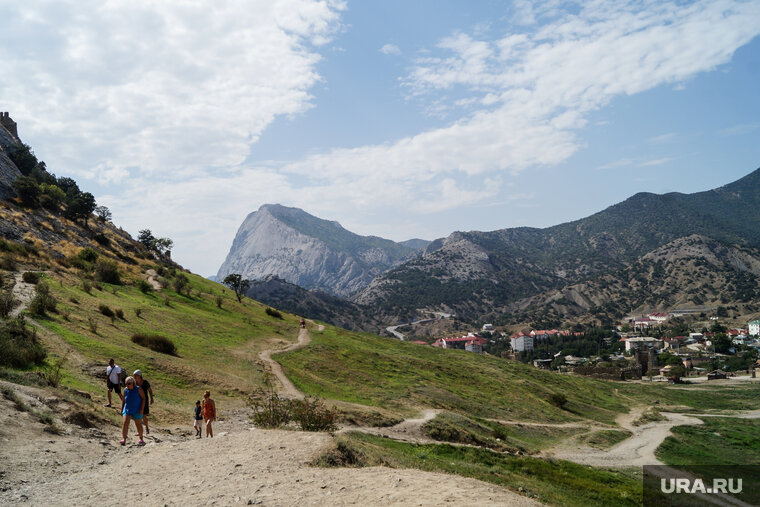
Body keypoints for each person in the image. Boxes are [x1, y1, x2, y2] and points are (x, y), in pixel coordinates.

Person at [120, 376, 145, 445]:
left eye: (129, 383)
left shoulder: (138, 389)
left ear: (133, 383)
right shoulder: (125, 390)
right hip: (127, 409)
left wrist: (142, 409)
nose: (127, 385)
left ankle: (141, 438)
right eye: (126, 384)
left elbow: (143, 398)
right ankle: (124, 439)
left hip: (137, 409)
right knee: (125, 423)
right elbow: (124, 400)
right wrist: (122, 409)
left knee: (138, 424)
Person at [133, 370, 154, 434]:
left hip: (144, 400)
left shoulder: (145, 382)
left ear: (140, 376)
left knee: (144, 415)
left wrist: (151, 398)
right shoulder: (134, 383)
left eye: (136, 376)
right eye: (134, 376)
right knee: (137, 416)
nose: (135, 377)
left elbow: (150, 390)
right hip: (137, 401)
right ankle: (139, 430)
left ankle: (147, 427)